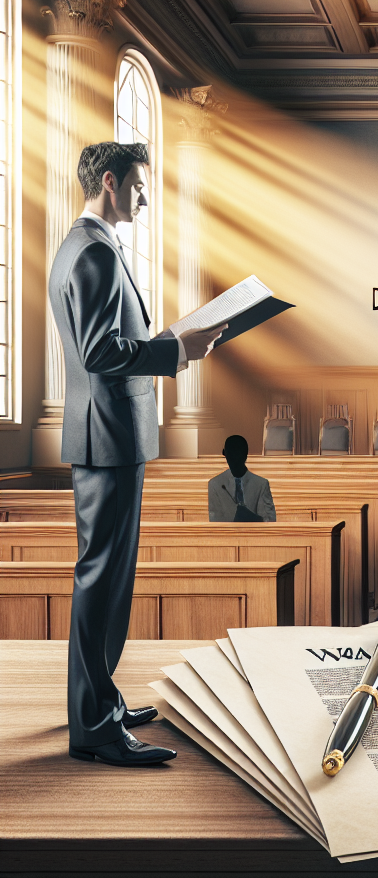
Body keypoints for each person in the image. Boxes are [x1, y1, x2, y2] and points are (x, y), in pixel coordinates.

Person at [49, 142, 225, 767]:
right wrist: (176, 351)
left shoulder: (85, 246)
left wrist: (171, 344)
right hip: (107, 435)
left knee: (106, 577)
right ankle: (94, 726)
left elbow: (106, 343)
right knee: (101, 578)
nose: (146, 196)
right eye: (140, 185)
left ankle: (100, 701)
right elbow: (101, 353)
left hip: (108, 434)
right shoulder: (94, 251)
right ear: (109, 181)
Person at [208, 435, 276, 522]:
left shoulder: (260, 484)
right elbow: (215, 520)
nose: (235, 458)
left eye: (238, 453)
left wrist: (251, 518)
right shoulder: (216, 484)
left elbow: (269, 520)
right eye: (231, 453)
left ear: (246, 454)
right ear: (225, 454)